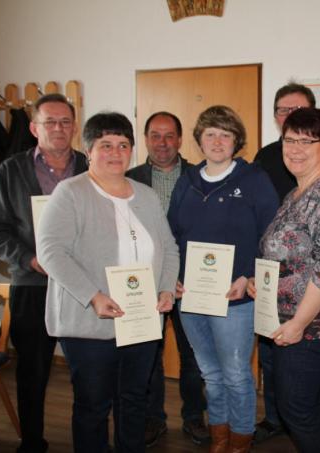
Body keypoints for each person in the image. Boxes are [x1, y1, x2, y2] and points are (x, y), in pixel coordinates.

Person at [36, 112, 180, 453]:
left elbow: (169, 247)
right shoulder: (70, 192)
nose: (115, 152)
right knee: (93, 406)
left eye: (122, 145)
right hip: (90, 322)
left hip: (141, 320)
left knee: (133, 402)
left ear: (131, 150)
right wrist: (94, 296)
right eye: (105, 145)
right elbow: (51, 252)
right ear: (88, 150)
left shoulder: (145, 195)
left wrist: (165, 287)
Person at [167, 105, 279, 453]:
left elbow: (272, 237)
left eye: (225, 134)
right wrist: (172, 278)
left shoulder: (254, 181)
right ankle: (220, 437)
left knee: (235, 375)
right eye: (211, 133)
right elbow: (171, 234)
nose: (217, 141)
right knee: (211, 376)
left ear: (236, 141)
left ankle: (240, 440)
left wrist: (248, 275)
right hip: (192, 298)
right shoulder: (186, 182)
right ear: (199, 139)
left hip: (236, 299)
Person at [0, 93, 88, 453]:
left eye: (65, 122)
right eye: (50, 122)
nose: (58, 129)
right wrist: (28, 258)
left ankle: (88, 441)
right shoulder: (10, 171)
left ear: (75, 127)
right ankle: (31, 442)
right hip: (32, 285)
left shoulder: (93, 168)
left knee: (87, 372)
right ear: (33, 128)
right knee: (32, 371)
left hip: (84, 288)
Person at [248, 107, 320, 453]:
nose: (294, 149)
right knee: (305, 405)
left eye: (306, 142)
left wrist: (298, 323)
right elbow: (291, 257)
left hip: (312, 327)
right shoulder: (297, 193)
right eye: (289, 140)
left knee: (297, 409)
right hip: (292, 322)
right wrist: (260, 283)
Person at [126, 111, 209, 446]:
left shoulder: (199, 177)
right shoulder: (128, 179)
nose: (162, 143)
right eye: (155, 135)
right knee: (149, 355)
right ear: (146, 139)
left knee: (193, 356)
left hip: (189, 282)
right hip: (144, 284)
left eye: (169, 135)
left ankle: (193, 417)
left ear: (180, 139)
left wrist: (181, 274)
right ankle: (153, 418)